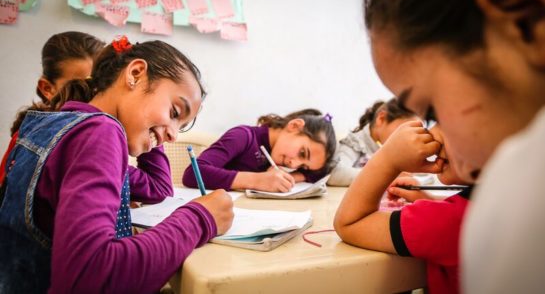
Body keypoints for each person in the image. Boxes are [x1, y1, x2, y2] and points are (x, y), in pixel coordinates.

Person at [0, 36, 234, 293]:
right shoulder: (100, 132)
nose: (174, 135)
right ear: (135, 73)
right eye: (175, 113)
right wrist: (200, 219)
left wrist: (155, 129)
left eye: (182, 126)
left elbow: (157, 188)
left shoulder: (55, 124)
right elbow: (89, 277)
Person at [361, 0, 545, 292]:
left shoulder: (522, 201)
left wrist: (389, 158)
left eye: (433, 111)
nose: (437, 136)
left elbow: (349, 222)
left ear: (524, 18)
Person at [1, 31, 174, 204]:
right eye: (83, 84)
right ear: (47, 88)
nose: (94, 92)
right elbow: (159, 188)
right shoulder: (85, 145)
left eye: (104, 81)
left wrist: (148, 120)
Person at [334, 121, 471, 294]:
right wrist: (431, 200)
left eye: (440, 118)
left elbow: (350, 223)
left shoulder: (449, 222)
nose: (431, 131)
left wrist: (389, 159)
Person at [0, 31, 105, 186]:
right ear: (47, 88)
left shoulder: (104, 130)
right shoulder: (29, 140)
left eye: (101, 86)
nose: (94, 97)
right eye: (81, 88)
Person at [182, 109, 336, 193]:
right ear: (294, 126)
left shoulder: (277, 154)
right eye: (302, 153)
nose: (294, 163)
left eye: (303, 166)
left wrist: (291, 177)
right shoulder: (243, 136)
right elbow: (192, 174)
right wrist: (259, 180)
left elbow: (320, 172)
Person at [328, 97, 417, 186]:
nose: (408, 137)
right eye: (403, 129)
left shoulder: (385, 148)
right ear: (381, 119)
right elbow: (334, 174)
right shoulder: (355, 143)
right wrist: (386, 175)